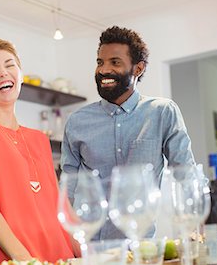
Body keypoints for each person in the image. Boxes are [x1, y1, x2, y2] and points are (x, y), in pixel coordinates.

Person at [61, 26, 195, 240]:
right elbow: (66, 188)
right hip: (87, 246)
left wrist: (200, 225)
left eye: (115, 62)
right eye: (99, 62)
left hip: (140, 246)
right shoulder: (77, 121)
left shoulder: (161, 112)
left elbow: (186, 173)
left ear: (138, 68)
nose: (104, 70)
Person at [0, 38, 77, 264]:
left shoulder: (39, 139)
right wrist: (24, 260)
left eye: (9, 65)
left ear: (20, 74)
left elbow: (61, 205)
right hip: (18, 260)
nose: (3, 73)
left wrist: (91, 253)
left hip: (61, 256)